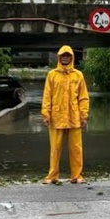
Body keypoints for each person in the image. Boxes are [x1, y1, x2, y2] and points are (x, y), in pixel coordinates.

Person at [41, 45, 90, 184]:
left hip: (74, 117)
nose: (65, 58)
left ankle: (77, 175)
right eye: (63, 55)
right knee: (55, 148)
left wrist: (84, 116)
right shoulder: (52, 75)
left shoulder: (78, 75)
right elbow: (47, 96)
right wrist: (46, 114)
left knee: (76, 149)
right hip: (56, 118)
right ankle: (52, 176)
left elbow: (83, 97)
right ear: (59, 57)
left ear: (72, 57)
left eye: (68, 55)